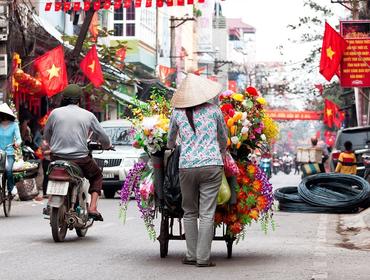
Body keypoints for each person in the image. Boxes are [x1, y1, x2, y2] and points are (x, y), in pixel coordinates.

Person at [167, 74, 228, 267]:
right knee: (207, 213)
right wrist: (221, 150)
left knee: (189, 211)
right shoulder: (214, 110)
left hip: (186, 166)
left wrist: (175, 145)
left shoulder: (177, 113)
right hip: (211, 165)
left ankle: (191, 255)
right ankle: (203, 258)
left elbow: (170, 140)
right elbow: (223, 137)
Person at [44, 84, 111, 221]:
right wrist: (107, 145)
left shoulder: (55, 113)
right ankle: (92, 207)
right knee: (97, 175)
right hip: (80, 159)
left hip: (57, 158)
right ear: (79, 100)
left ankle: (50, 199)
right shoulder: (88, 115)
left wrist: (54, 145)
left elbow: (47, 135)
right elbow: (103, 137)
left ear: (64, 98)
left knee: (50, 173)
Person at [0, 103, 22, 195]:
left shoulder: (14, 125)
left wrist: (17, 143)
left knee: (8, 170)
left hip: (9, 153)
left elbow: (19, 138)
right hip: (0, 152)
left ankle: (11, 187)